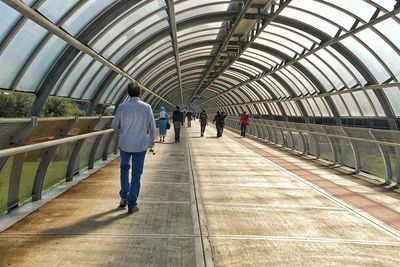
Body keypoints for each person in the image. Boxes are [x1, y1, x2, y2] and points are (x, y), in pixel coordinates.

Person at [112, 82, 156, 214]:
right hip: (140, 145)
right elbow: (152, 128)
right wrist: (150, 142)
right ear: (140, 93)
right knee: (136, 174)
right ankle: (132, 204)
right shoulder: (147, 107)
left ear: (127, 93)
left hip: (125, 144)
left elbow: (114, 126)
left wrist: (122, 128)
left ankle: (123, 197)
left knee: (124, 170)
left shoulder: (122, 107)